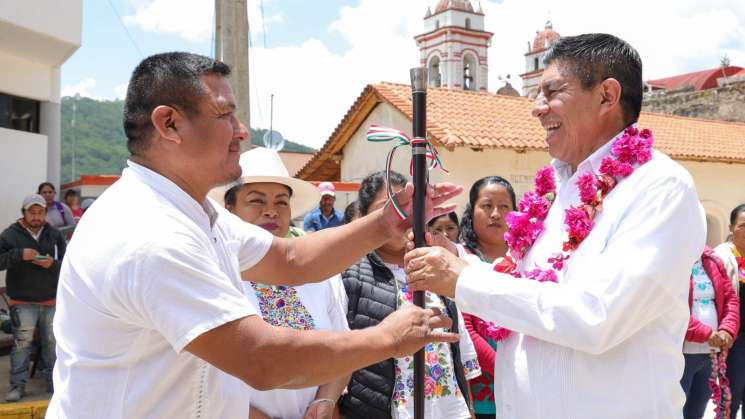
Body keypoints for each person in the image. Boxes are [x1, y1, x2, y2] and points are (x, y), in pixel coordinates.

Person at [47, 52, 462, 419]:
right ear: (169, 123)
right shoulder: (149, 232)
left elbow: (292, 259)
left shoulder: (194, 215)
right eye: (225, 114)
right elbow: (261, 360)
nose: (241, 130)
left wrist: (388, 221)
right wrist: (388, 338)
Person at [404, 33, 706, 418]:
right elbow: (528, 290)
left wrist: (463, 279)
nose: (536, 107)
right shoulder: (556, 190)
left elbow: (596, 315)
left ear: (607, 96)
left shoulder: (660, 187)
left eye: (551, 92)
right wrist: (456, 259)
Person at [216, 147, 350, 419]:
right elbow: (204, 375)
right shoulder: (214, 273)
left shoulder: (318, 272)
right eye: (256, 201)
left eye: (280, 202)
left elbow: (343, 348)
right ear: (229, 208)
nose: (271, 212)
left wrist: (325, 399)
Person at [337, 170, 480, 419]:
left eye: (409, 208)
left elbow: (457, 351)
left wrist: (468, 409)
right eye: (388, 208)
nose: (401, 218)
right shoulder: (347, 274)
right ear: (364, 216)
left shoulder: (437, 267)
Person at [456, 176, 516, 418]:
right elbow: (465, 327)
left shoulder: (526, 257)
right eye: (487, 206)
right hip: (478, 392)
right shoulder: (459, 258)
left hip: (525, 386)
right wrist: (506, 368)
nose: (495, 214)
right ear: (472, 212)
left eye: (504, 207)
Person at [0, 194, 66, 401]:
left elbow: (67, 264)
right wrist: (19, 255)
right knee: (22, 345)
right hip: (22, 300)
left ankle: (54, 384)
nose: (36, 216)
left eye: (40, 212)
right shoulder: (10, 235)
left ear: (46, 213)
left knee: (52, 344)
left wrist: (52, 265)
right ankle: (17, 386)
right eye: (32, 212)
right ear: (24, 213)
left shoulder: (54, 235)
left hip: (51, 299)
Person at [680, 248, 739, 419]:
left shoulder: (712, 261)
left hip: (709, 355)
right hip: (681, 354)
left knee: (696, 412)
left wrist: (727, 330)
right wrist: (705, 334)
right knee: (673, 412)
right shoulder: (672, 259)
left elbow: (730, 299)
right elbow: (671, 309)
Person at [714, 204, 745, 419]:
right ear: (731, 227)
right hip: (735, 340)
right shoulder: (721, 257)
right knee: (729, 398)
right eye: (743, 225)